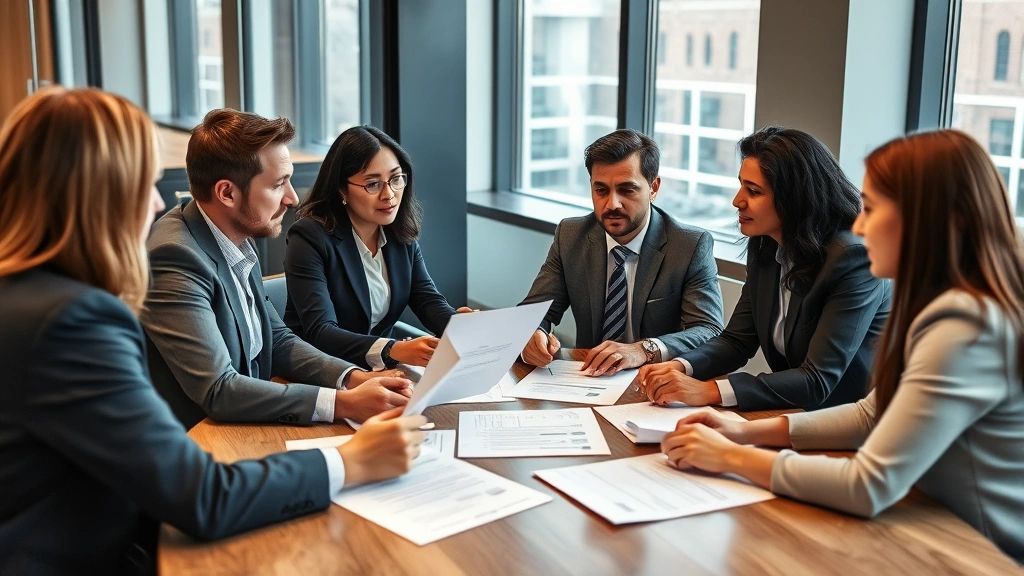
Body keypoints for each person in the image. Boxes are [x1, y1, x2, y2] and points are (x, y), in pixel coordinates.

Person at [0, 87, 427, 574]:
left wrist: (350, 379)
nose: (155, 202)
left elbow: (276, 338)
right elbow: (204, 496)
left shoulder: (29, 294)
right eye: (145, 185)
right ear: (102, 198)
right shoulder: (73, 320)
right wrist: (352, 461)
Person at [659, 130, 1024, 561]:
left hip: (977, 550)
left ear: (925, 219)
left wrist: (733, 457)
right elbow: (875, 411)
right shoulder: (942, 304)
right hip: (928, 518)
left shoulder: (966, 325)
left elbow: (868, 486)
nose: (861, 225)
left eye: (871, 208)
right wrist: (744, 431)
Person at [141, 110, 412, 430]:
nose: (292, 198)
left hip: (254, 420)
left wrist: (353, 378)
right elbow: (219, 391)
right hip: (202, 443)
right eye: (278, 184)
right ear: (227, 193)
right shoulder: (175, 258)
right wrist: (343, 403)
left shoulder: (234, 233)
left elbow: (277, 339)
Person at [637, 127, 891, 411]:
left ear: (795, 199)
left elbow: (817, 381)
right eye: (741, 185)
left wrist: (709, 390)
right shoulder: (767, 245)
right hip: (796, 414)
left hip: (854, 425)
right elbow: (736, 341)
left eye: (753, 191)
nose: (737, 201)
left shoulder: (853, 258)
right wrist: (681, 367)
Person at [519, 129, 724, 375]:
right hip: (587, 378)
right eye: (601, 190)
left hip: (656, 381)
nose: (612, 204)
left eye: (627, 190)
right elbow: (534, 312)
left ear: (653, 188)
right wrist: (533, 334)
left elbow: (708, 329)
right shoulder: (571, 235)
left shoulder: (689, 246)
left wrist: (644, 349)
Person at [284, 126, 469, 370]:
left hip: (379, 371)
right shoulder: (309, 238)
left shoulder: (398, 233)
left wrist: (461, 326)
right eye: (372, 184)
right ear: (342, 189)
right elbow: (321, 331)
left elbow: (427, 300)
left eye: (396, 178)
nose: (389, 194)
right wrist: (394, 349)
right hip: (320, 372)